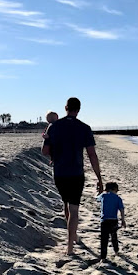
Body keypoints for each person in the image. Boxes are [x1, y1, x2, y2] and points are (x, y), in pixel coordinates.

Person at [41, 97, 103, 255]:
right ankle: (70, 246)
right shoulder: (84, 128)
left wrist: (50, 147)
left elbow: (45, 151)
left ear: (65, 108)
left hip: (60, 173)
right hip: (76, 173)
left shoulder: (54, 127)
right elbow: (92, 155)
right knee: (74, 209)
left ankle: (72, 238)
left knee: (66, 203)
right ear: (79, 109)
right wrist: (99, 178)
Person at [97, 182, 126, 260]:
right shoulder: (118, 198)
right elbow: (121, 209)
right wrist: (123, 220)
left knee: (104, 239)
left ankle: (103, 257)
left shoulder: (103, 196)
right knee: (114, 237)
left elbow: (97, 199)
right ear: (115, 189)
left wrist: (100, 191)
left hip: (104, 220)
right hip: (114, 220)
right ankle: (116, 251)